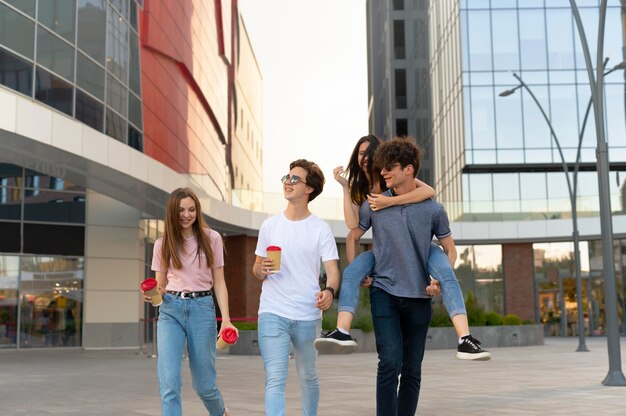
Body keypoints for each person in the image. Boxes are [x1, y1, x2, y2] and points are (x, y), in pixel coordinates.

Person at [314, 134, 490, 361]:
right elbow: (353, 231)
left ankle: (465, 338)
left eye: (370, 155)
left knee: (446, 272)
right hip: (383, 252)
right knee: (351, 272)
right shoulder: (365, 194)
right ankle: (342, 331)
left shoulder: (428, 205)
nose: (366, 160)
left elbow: (430, 195)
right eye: (361, 154)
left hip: (423, 250)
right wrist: (346, 189)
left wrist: (388, 201)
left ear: (406, 169)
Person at [356, 137, 461, 414]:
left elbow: (450, 251)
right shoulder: (374, 205)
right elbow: (353, 233)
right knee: (389, 362)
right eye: (382, 168)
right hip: (384, 292)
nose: (383, 173)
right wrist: (360, 271)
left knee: (412, 369)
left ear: (409, 169)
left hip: (418, 297)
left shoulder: (433, 209)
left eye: (390, 167)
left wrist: (437, 280)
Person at [252, 159, 340, 416]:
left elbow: (333, 271)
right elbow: (256, 270)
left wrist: (330, 292)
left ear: (309, 189)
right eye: (286, 178)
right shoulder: (270, 225)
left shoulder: (320, 229)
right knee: (275, 379)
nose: (287, 183)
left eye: (294, 179)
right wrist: (262, 268)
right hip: (272, 310)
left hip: (307, 314)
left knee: (308, 376)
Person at [146, 187, 236, 416]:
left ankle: (220, 413)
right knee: (169, 384)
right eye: (181, 210)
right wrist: (153, 294)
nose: (186, 215)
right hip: (170, 311)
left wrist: (226, 320)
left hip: (202, 308)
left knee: (205, 385)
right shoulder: (162, 244)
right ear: (171, 213)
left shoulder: (212, 238)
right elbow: (161, 286)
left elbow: (220, 282)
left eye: (191, 209)